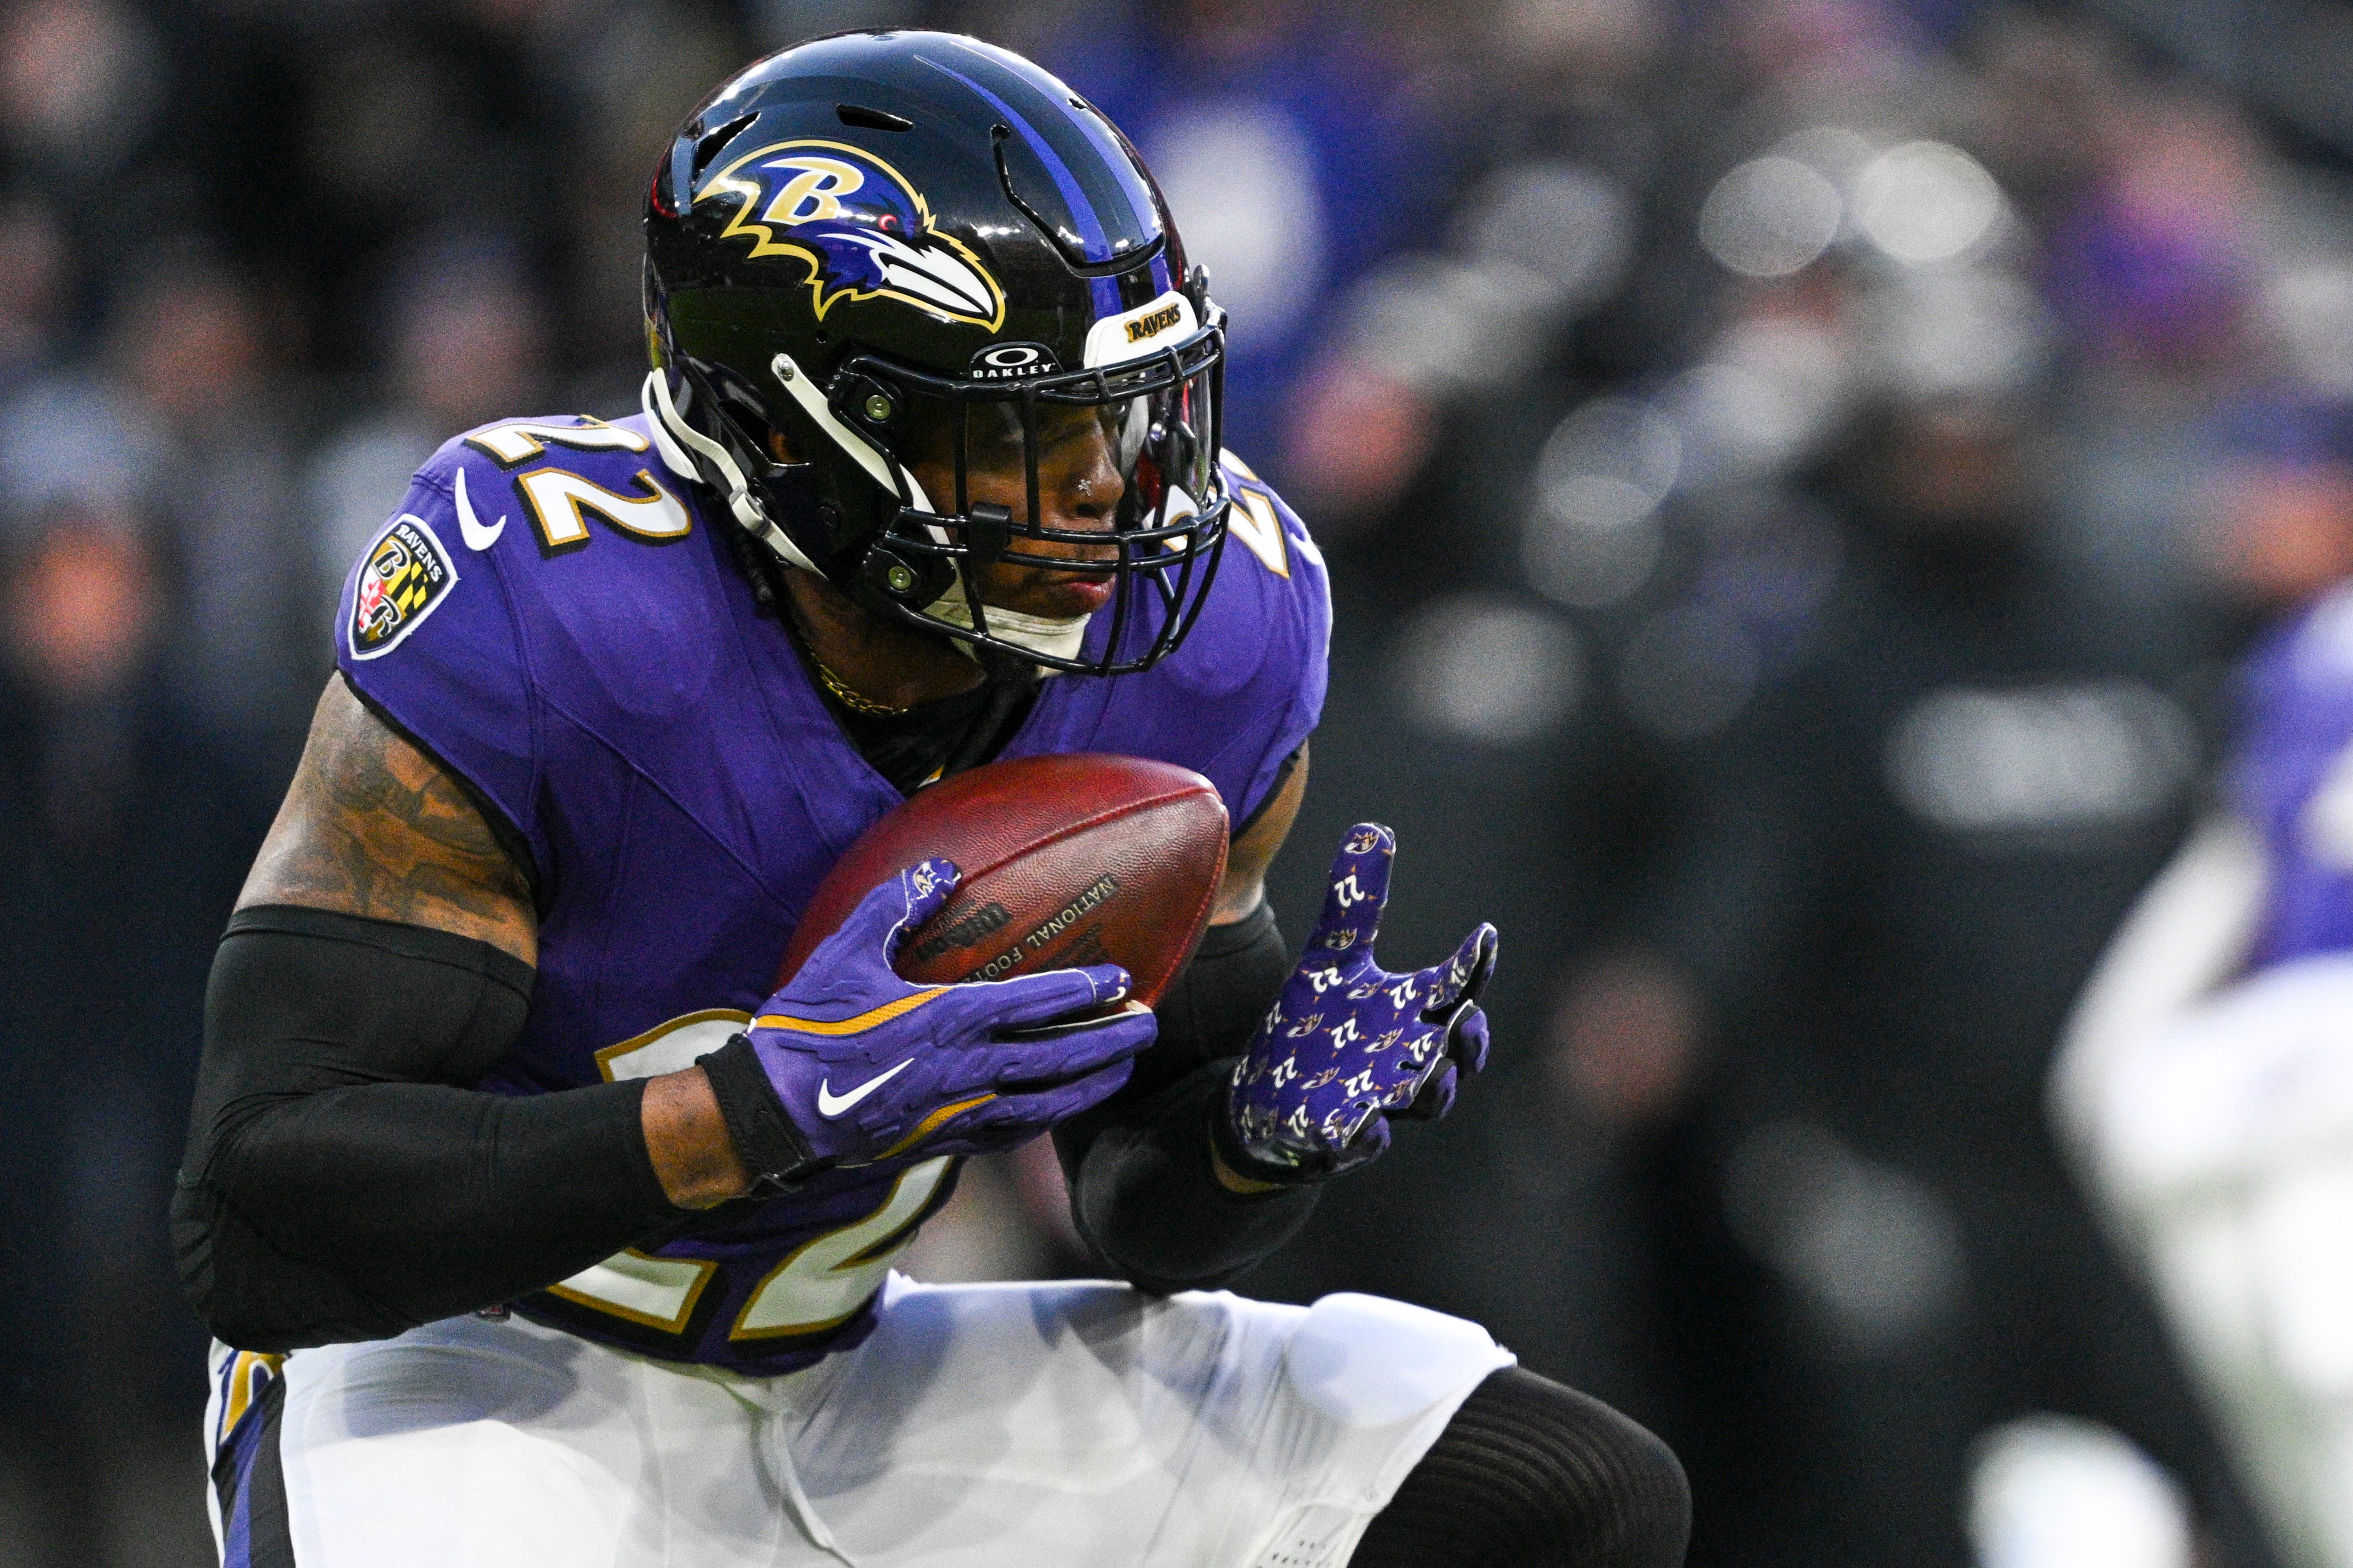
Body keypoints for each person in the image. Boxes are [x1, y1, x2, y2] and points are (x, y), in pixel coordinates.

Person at [173, 32, 1688, 1568]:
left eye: (1129, 412)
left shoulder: (1218, 624)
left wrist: (1249, 1138)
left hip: (848, 1359)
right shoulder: (553, 609)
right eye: (1025, 431)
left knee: (1559, 1486)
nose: (1114, 484)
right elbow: (257, 1221)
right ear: (790, 434)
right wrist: (747, 1115)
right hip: (486, 1363)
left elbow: (1144, 1212)